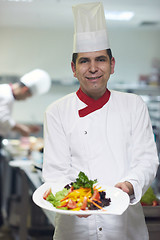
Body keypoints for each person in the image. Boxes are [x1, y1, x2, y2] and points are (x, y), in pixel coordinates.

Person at [42, 2, 159, 240]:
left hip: (125, 225)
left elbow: (147, 160)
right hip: (75, 227)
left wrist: (129, 185)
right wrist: (77, 201)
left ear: (112, 65)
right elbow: (55, 172)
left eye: (100, 60)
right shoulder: (56, 111)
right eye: (84, 61)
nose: (93, 68)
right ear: (73, 69)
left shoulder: (134, 105)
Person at [0, 68, 51, 227]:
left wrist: (24, 127)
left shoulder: (6, 94)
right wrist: (22, 128)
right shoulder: (5, 95)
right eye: (28, 96)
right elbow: (2, 120)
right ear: (25, 89)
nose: (26, 99)